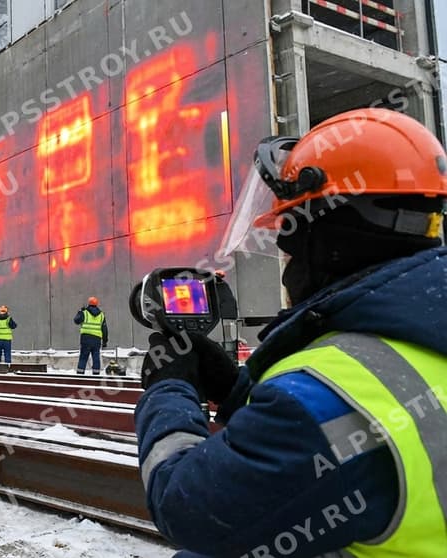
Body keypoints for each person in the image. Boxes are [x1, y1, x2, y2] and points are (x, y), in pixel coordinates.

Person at [135, 108, 447, 557]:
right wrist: (236, 388)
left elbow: (189, 508)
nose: (286, 259)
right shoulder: (418, 332)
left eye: (291, 235)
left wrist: (169, 390)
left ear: (330, 237)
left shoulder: (333, 396)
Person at [73, 297, 107, 374]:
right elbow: (105, 329)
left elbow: (76, 321)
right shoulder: (101, 315)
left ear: (89, 303)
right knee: (96, 357)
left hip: (86, 339)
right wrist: (105, 341)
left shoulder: (84, 313)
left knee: (83, 357)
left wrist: (80, 312)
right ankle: (96, 374)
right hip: (97, 339)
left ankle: (80, 375)